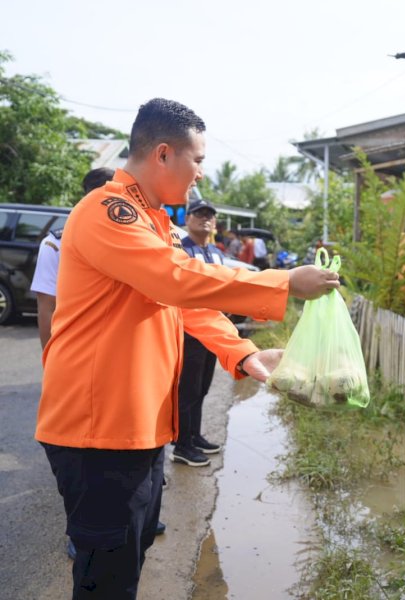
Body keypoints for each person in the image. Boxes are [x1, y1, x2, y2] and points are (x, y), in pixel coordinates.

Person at [35, 97, 339, 599]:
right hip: (98, 434)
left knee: (127, 563)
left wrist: (241, 352)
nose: (199, 174)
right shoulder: (108, 212)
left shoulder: (150, 220)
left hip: (136, 429)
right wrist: (282, 283)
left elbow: (186, 304)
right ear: (162, 154)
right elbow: (176, 279)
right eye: (197, 160)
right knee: (105, 581)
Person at [31, 167, 169, 561]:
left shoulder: (144, 233)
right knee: (94, 502)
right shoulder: (57, 243)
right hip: (81, 377)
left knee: (124, 522)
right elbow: (48, 308)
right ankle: (86, 535)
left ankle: (126, 523)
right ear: (93, 198)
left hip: (123, 384)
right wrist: (54, 364)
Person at [30, 167, 115, 348]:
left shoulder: (129, 240)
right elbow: (47, 308)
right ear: (87, 198)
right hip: (77, 344)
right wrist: (49, 359)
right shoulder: (55, 245)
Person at [173, 198, 227, 467]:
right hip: (190, 330)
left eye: (209, 215)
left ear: (215, 222)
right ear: (187, 220)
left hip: (212, 331)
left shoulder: (217, 252)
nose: (204, 219)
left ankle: (194, 436)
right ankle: (181, 444)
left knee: (202, 387)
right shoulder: (181, 250)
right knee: (188, 389)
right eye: (198, 214)